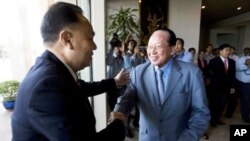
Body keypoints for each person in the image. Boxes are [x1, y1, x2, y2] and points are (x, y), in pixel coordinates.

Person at [11, 2, 128, 141]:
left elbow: (80, 88)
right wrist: (118, 125)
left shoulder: (52, 71)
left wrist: (114, 82)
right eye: (90, 38)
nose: (95, 46)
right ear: (67, 39)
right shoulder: (46, 85)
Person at [113, 29, 210, 141]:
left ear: (172, 49)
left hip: (178, 137)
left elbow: (201, 112)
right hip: (148, 137)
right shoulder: (138, 72)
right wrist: (118, 112)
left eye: (158, 46)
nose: (152, 52)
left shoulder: (192, 73)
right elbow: (128, 99)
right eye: (149, 47)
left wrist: (188, 138)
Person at [207, 44, 236, 127]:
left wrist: (233, 87)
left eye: (229, 50)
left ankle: (217, 119)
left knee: (222, 105)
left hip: (226, 88)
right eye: (226, 50)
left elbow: (232, 75)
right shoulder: (214, 61)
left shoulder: (232, 62)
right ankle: (212, 121)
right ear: (220, 51)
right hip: (215, 87)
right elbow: (208, 72)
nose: (228, 52)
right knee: (214, 105)